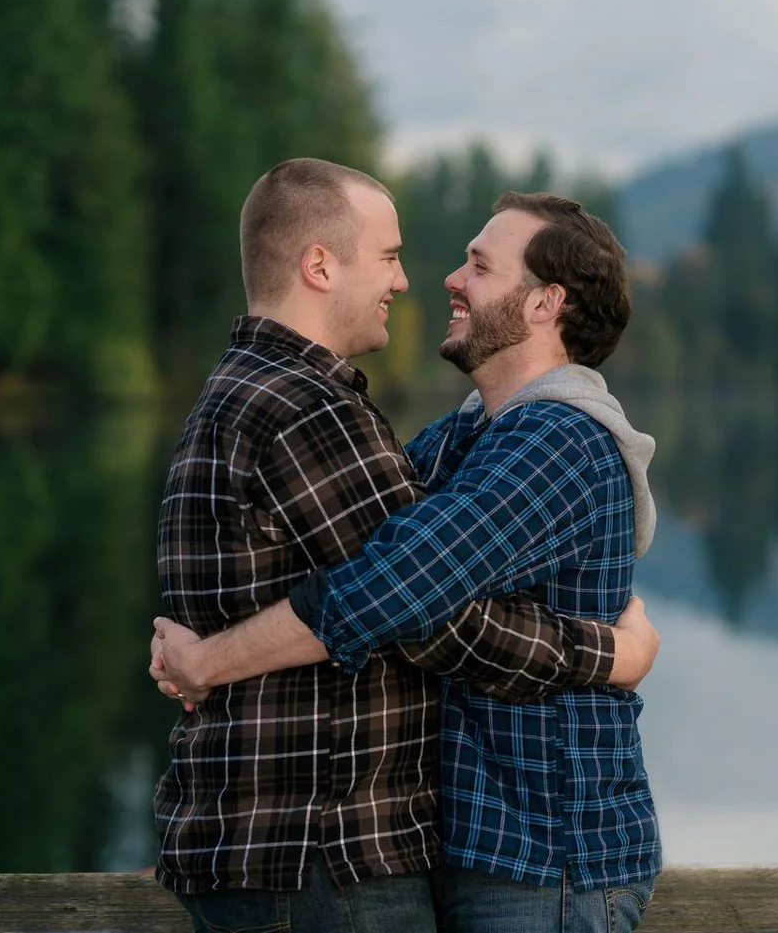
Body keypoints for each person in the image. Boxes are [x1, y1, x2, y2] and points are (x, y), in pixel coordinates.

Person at [151, 159, 659, 933]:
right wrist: (610, 652)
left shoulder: (559, 441)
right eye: (399, 258)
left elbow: (393, 589)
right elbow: (368, 561)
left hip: (547, 863)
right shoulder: (462, 434)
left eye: (480, 266)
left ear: (546, 301)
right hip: (463, 853)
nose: (444, 279)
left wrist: (207, 660)